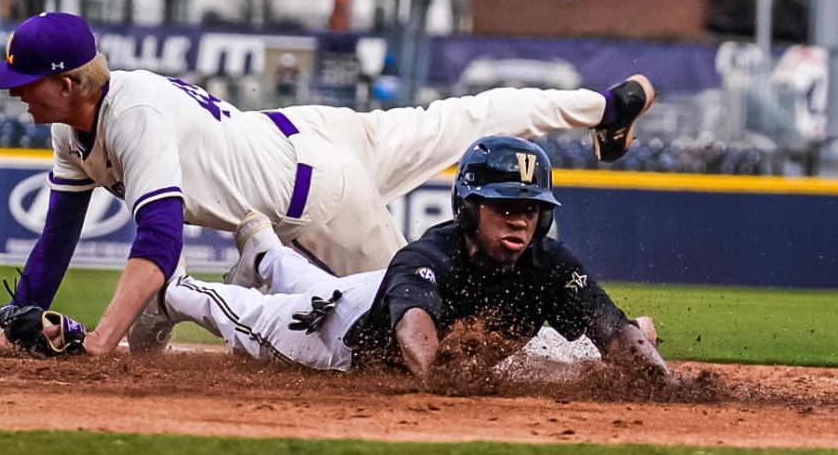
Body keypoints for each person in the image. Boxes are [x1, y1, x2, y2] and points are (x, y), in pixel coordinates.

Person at [0, 12, 656, 357]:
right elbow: (59, 231)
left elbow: (157, 240)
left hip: (321, 202)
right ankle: (601, 107)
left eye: (23, 85)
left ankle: (587, 348)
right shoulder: (71, 126)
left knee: (423, 319)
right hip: (306, 132)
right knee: (464, 117)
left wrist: (100, 345)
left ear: (66, 85)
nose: (15, 96)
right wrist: (20, 314)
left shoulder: (134, 115)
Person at [124, 136, 670, 385]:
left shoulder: (550, 265)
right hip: (337, 336)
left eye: (531, 209)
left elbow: (615, 332)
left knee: (307, 278)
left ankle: (265, 247)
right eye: (505, 207)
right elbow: (414, 331)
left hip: (367, 289)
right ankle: (175, 291)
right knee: (244, 316)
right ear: (470, 208)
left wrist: (663, 381)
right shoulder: (430, 254)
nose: (519, 221)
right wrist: (444, 379)